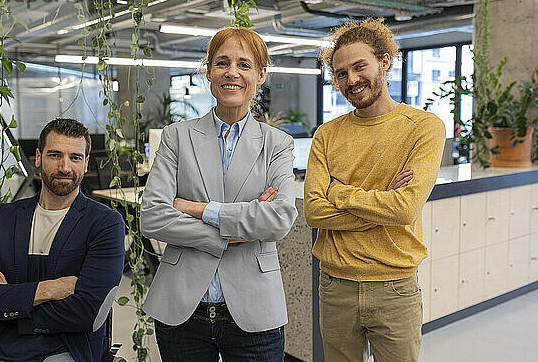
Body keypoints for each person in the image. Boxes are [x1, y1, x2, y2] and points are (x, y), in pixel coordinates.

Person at [140, 26, 298, 362]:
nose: (232, 72)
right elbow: (153, 217)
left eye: (244, 64)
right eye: (222, 62)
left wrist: (196, 209)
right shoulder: (176, 137)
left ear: (260, 74)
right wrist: (236, 231)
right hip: (183, 310)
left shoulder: (278, 144)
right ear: (209, 72)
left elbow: (280, 219)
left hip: (255, 309)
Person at [304, 18, 446, 362]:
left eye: (359, 66)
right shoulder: (326, 134)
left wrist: (340, 194)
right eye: (341, 73)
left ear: (384, 61)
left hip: (394, 287)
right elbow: (313, 213)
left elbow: (404, 208)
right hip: (335, 286)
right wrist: (381, 205)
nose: (351, 80)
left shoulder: (424, 128)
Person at [0, 118, 125, 362]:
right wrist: (49, 289)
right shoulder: (1, 218)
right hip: (0, 345)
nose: (65, 167)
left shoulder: (105, 223)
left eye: (75, 158)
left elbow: (88, 312)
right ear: (38, 157)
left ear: (86, 164)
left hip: (68, 347)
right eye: (55, 155)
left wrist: (7, 296)